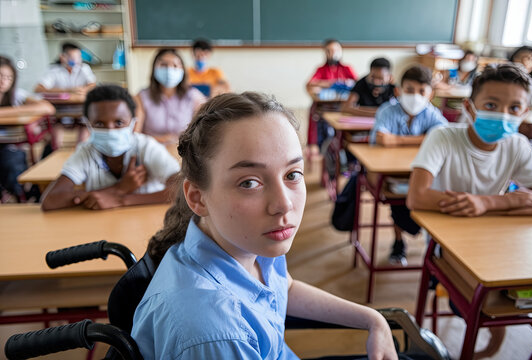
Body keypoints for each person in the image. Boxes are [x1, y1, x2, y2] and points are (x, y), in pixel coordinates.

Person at [131, 92, 397, 360]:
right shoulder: (215, 333)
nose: (283, 205)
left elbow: (284, 288)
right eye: (249, 183)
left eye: (293, 174)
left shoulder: (242, 244)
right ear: (197, 197)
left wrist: (372, 319)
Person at [407, 63, 532, 358]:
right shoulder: (444, 137)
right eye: (491, 105)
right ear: (470, 106)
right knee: (485, 297)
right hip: (448, 242)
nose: (503, 114)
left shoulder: (517, 145)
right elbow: (417, 198)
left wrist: (491, 202)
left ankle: (491, 342)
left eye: (514, 107)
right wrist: (512, 201)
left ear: (525, 113)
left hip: (499, 237)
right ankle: (485, 340)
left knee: (513, 287)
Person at [41, 85, 180, 211]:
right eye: (99, 124)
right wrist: (119, 189)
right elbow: (50, 201)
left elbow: (182, 190)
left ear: (133, 124)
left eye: (119, 122)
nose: (110, 130)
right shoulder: (87, 152)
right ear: (88, 125)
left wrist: (121, 199)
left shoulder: (146, 147)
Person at [369, 64, 448, 266]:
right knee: (400, 198)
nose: (416, 96)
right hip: (393, 173)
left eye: (422, 91)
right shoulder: (387, 111)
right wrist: (425, 138)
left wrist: (397, 140)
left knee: (440, 193)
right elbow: (381, 139)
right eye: (410, 90)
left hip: (421, 172)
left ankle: (435, 248)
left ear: (430, 94)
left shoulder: (431, 112)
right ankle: (398, 241)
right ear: (398, 91)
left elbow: (443, 138)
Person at [0, 55, 55, 201]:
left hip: (10, 147)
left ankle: (21, 194)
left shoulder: (16, 96)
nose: (3, 81)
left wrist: (7, 111)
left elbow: (47, 107)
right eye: (0, 76)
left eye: (8, 78)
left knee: (12, 160)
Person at [134, 48, 206, 145]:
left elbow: (203, 132)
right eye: (163, 65)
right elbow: (135, 135)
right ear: (154, 68)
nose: (169, 69)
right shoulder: (141, 97)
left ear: (183, 70)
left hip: (184, 152)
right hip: (151, 152)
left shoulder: (194, 96)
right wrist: (161, 140)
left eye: (175, 65)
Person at [35, 42, 96, 148]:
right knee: (56, 140)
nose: (76, 60)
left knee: (85, 133)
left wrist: (85, 89)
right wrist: (68, 90)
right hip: (59, 112)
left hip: (80, 111)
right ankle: (55, 153)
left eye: (78, 57)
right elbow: (39, 88)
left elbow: (92, 84)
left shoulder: (84, 68)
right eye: (73, 57)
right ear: (62, 57)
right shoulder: (53, 70)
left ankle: (80, 151)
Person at [305, 39, 357, 152]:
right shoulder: (321, 69)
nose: (333, 53)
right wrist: (333, 83)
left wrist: (325, 84)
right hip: (324, 107)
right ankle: (318, 145)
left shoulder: (347, 68)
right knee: (314, 111)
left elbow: (356, 85)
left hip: (343, 106)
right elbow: (310, 84)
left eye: (336, 50)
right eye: (330, 50)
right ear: (325, 52)